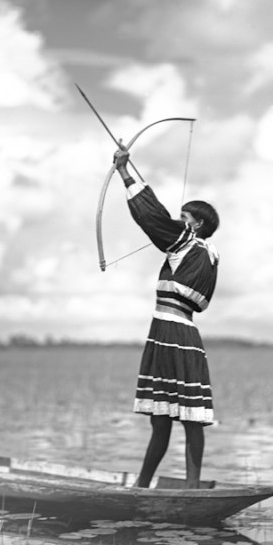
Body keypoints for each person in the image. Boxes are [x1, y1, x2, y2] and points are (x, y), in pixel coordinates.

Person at [112, 148, 220, 489]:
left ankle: (178, 489)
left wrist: (124, 171)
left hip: (171, 334)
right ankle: (149, 487)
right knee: (172, 420)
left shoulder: (190, 244)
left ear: (197, 225)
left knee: (180, 420)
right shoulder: (210, 256)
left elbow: (152, 217)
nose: (179, 222)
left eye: (184, 217)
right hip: (179, 335)